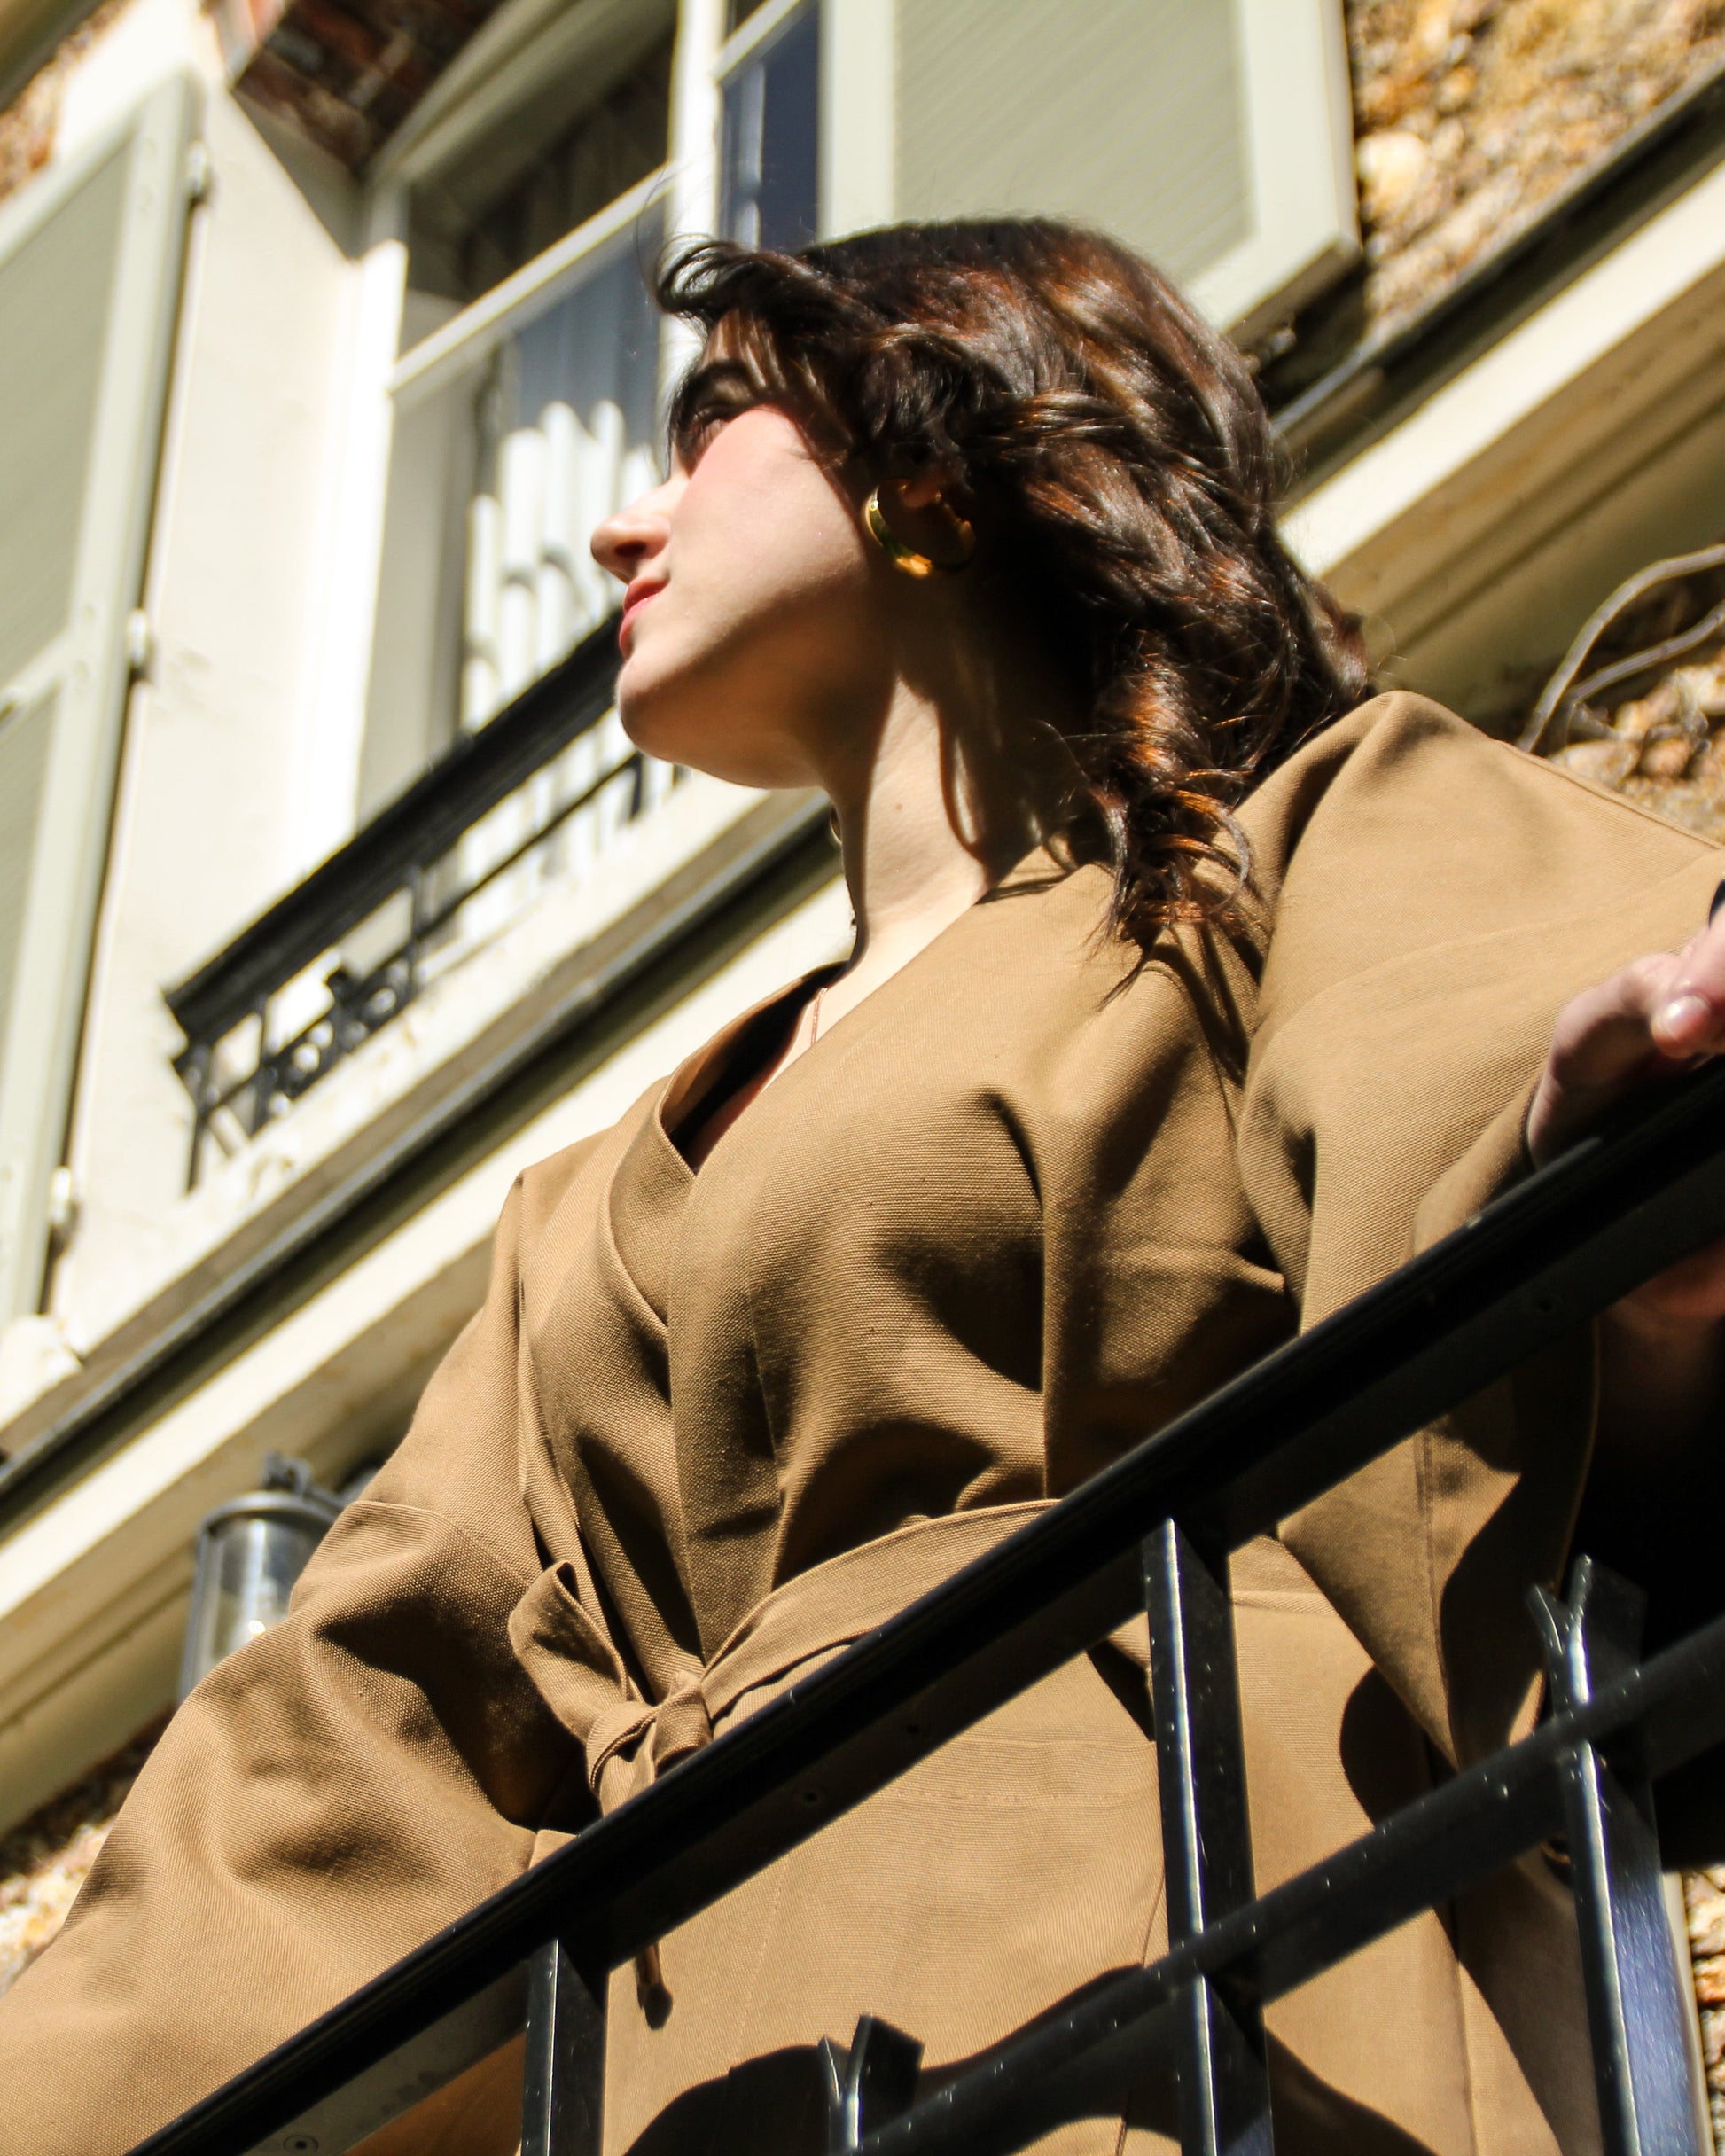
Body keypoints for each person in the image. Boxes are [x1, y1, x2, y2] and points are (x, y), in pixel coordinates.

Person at [5, 218, 1725, 2156]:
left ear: (929, 448)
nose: (615, 529)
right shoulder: (578, 1215)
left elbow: (1531, 1131)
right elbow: (325, 1780)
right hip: (693, 2078)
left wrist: (1617, 1181)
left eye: (715, 422)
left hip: (1195, 1972)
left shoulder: (1303, 854)